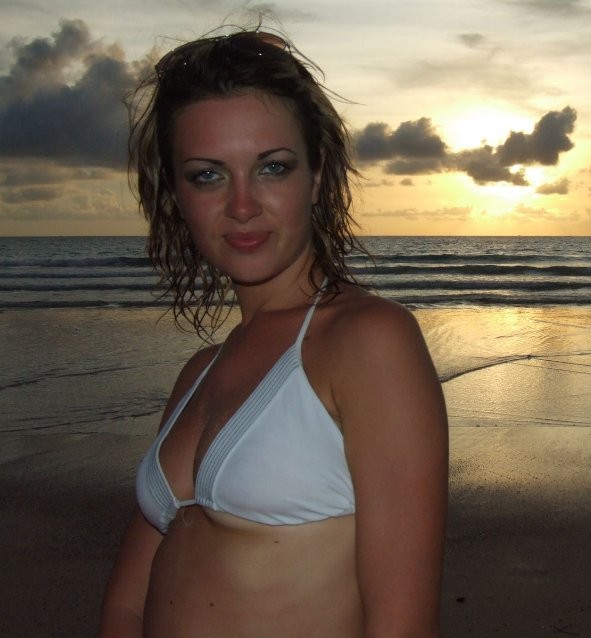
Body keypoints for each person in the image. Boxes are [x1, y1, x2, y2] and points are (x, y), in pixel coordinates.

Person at [99, 27, 448, 637]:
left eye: (272, 168)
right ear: (176, 195)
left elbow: (402, 624)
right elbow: (126, 606)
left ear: (315, 177)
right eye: (208, 175)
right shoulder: (199, 372)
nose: (241, 205)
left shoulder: (368, 341)